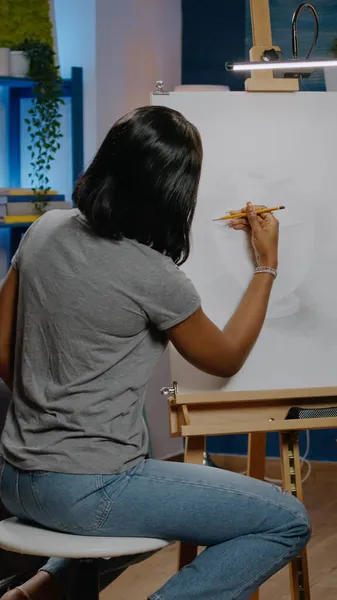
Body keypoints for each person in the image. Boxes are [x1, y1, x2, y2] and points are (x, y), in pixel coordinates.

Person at [0, 106, 310, 600]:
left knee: (197, 483)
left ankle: (36, 592)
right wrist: (266, 266)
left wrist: (53, 412)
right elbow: (225, 357)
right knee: (287, 520)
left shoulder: (44, 230)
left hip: (15, 476)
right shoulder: (151, 274)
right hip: (88, 488)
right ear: (173, 194)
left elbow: (4, 351)